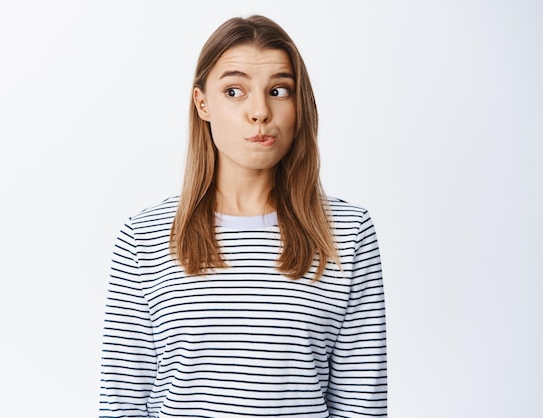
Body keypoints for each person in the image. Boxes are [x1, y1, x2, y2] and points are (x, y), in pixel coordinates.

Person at [99, 15, 387, 418]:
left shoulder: (348, 232)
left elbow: (361, 406)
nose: (260, 112)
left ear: (298, 104)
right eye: (234, 91)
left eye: (279, 90)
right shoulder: (143, 237)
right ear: (203, 103)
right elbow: (123, 403)